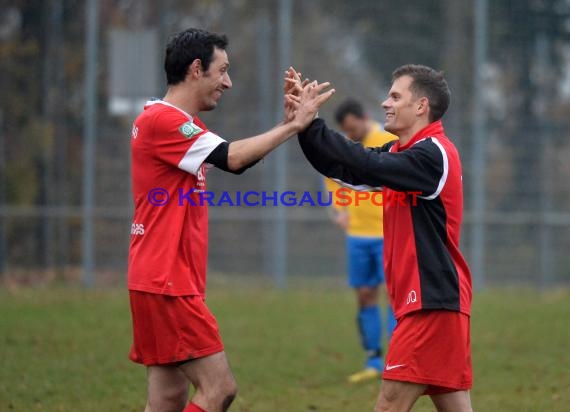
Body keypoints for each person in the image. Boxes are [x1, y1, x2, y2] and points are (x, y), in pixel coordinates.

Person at [128, 28, 334, 412]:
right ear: (195, 69)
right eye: (222, 70)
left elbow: (230, 152)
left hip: (158, 278)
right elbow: (233, 158)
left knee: (168, 398)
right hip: (166, 281)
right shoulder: (166, 121)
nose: (228, 81)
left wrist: (285, 125)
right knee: (219, 389)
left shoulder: (171, 121)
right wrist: (292, 126)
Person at [285, 65, 473, 411]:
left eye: (395, 96)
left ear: (421, 106)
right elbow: (348, 169)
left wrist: (313, 122)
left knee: (389, 403)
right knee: (454, 403)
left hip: (430, 301)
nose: (385, 103)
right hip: (433, 302)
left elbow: (362, 163)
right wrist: (304, 124)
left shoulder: (433, 153)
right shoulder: (404, 152)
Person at [323, 99, 397, 383]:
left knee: (395, 297)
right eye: (348, 132)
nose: (352, 135)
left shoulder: (389, 140)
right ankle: (374, 360)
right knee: (365, 296)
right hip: (357, 237)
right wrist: (338, 208)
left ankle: (395, 360)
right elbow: (331, 178)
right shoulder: (345, 148)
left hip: (388, 235)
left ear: (365, 117)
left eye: (355, 129)